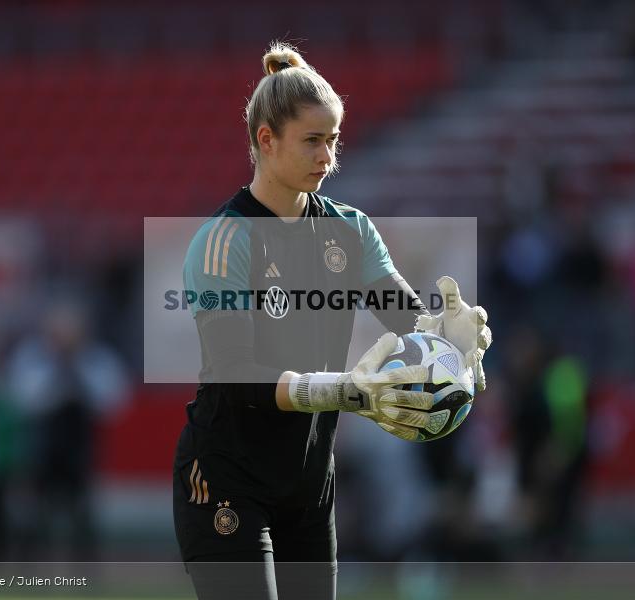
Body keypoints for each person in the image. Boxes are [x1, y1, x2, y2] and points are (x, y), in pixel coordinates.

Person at [171, 42, 492, 600]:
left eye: (334, 141)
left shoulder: (351, 230)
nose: (329, 156)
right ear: (266, 141)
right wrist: (347, 390)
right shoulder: (223, 241)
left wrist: (448, 337)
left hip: (309, 485)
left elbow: (404, 314)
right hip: (225, 478)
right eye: (313, 141)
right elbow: (236, 375)